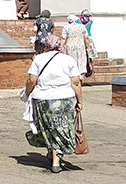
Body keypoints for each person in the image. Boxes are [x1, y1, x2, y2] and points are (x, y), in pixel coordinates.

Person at [25, 34, 83, 173]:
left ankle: (52, 154)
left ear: (46, 45)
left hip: (42, 99)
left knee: (47, 127)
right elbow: (75, 83)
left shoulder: (39, 58)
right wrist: (79, 101)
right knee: (61, 127)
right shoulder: (68, 59)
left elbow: (32, 80)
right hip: (64, 99)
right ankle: (56, 159)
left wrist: (27, 94)